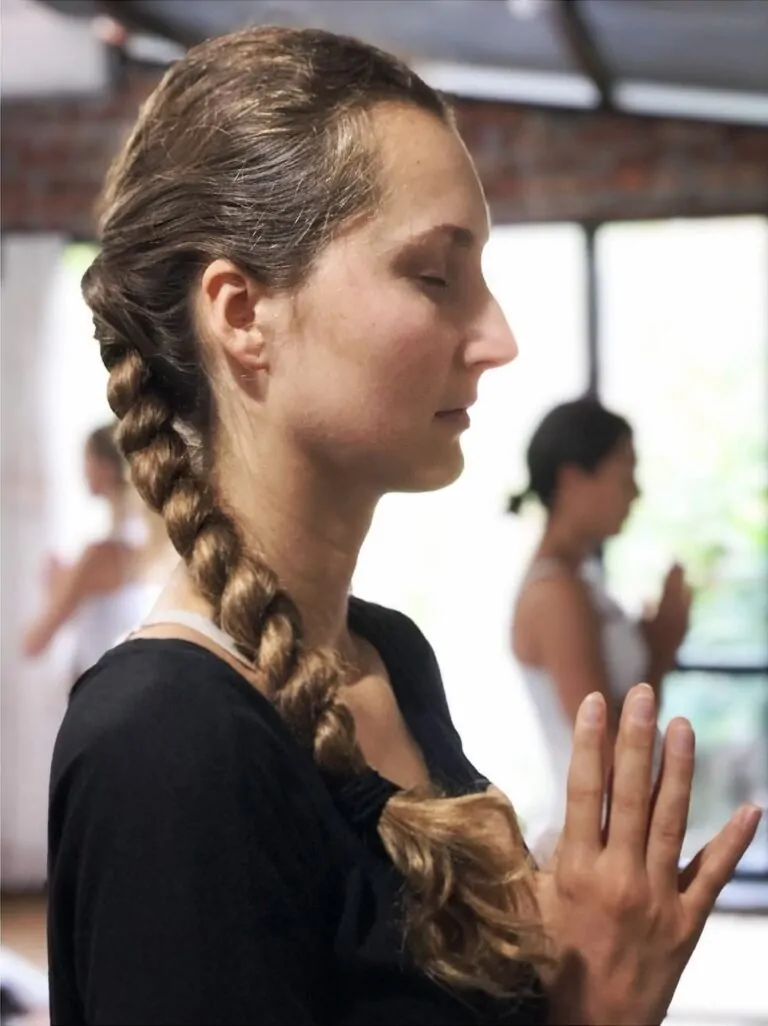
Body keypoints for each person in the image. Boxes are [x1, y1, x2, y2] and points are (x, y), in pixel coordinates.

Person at [47, 26, 761, 1026]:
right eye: (435, 276)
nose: (499, 338)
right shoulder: (169, 745)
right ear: (243, 313)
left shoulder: (390, 657)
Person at [509, 397, 692, 856]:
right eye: (625, 474)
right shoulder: (557, 594)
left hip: (611, 831)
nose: (635, 493)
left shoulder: (580, 583)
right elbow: (609, 751)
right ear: (573, 479)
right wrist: (662, 649)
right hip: (592, 839)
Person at [23, 425, 174, 678]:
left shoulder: (102, 554)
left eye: (87, 459)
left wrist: (55, 589)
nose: (82, 471)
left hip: (101, 688)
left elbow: (34, 642)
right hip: (129, 683)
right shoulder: (145, 541)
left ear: (106, 467)